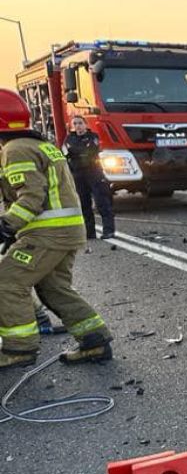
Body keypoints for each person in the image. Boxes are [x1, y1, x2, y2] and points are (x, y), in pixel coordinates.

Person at [0, 89, 113, 370]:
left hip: (47, 233)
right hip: (66, 231)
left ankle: (19, 349)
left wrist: (6, 226)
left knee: (7, 282)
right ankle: (94, 340)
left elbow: (31, 197)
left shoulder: (15, 150)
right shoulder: (40, 144)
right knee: (54, 288)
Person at [62, 115, 114, 239]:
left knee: (102, 201)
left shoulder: (93, 136)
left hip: (94, 172)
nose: (78, 126)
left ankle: (109, 230)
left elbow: (91, 150)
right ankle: (90, 232)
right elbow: (65, 153)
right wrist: (78, 152)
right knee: (84, 203)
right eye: (75, 123)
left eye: (80, 123)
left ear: (86, 124)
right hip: (78, 174)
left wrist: (76, 152)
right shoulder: (69, 139)